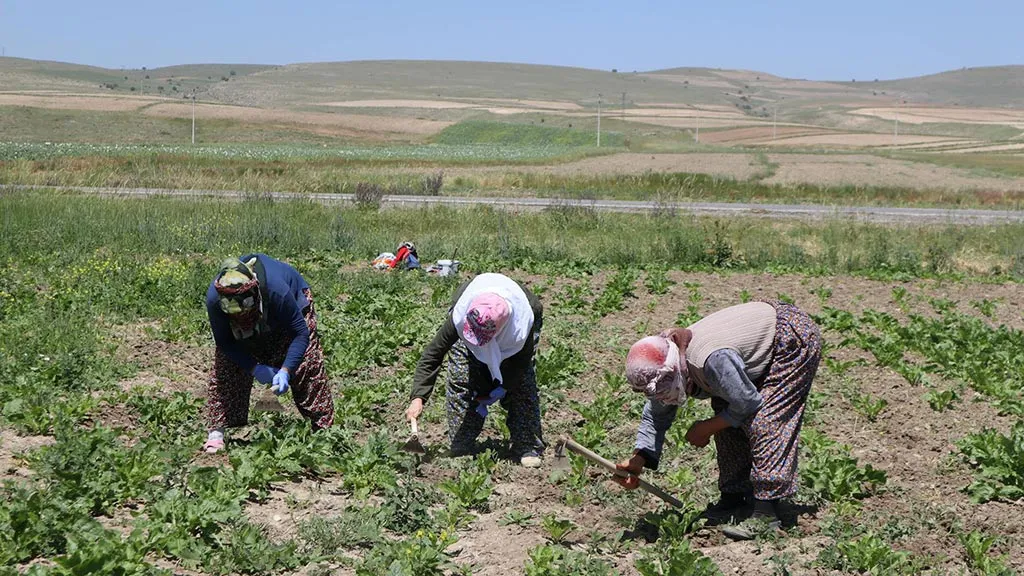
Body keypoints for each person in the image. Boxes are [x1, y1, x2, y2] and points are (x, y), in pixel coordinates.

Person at [615, 300, 821, 540]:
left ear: (673, 372)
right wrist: (639, 458)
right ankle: (734, 498)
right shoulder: (669, 361)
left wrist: (706, 428)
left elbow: (748, 403)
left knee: (765, 420)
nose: (661, 397)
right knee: (725, 415)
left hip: (788, 340)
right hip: (746, 347)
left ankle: (766, 513)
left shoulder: (711, 361)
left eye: (662, 390)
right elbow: (656, 414)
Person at [405, 272, 545, 467]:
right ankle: (462, 445)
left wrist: (502, 387)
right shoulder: (462, 315)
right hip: (473, 320)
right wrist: (418, 397)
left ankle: (526, 444)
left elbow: (519, 365)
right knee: (462, 376)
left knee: (522, 384)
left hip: (516, 325)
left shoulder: (521, 327)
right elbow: (433, 353)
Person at [202, 254, 335, 453]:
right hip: (251, 315)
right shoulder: (215, 299)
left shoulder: (277, 291)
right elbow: (225, 342)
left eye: (245, 308)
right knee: (226, 363)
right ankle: (216, 433)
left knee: (307, 362)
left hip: (291, 304)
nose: (242, 315)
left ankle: (324, 431)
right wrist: (254, 367)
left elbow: (300, 333)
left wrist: (286, 370)